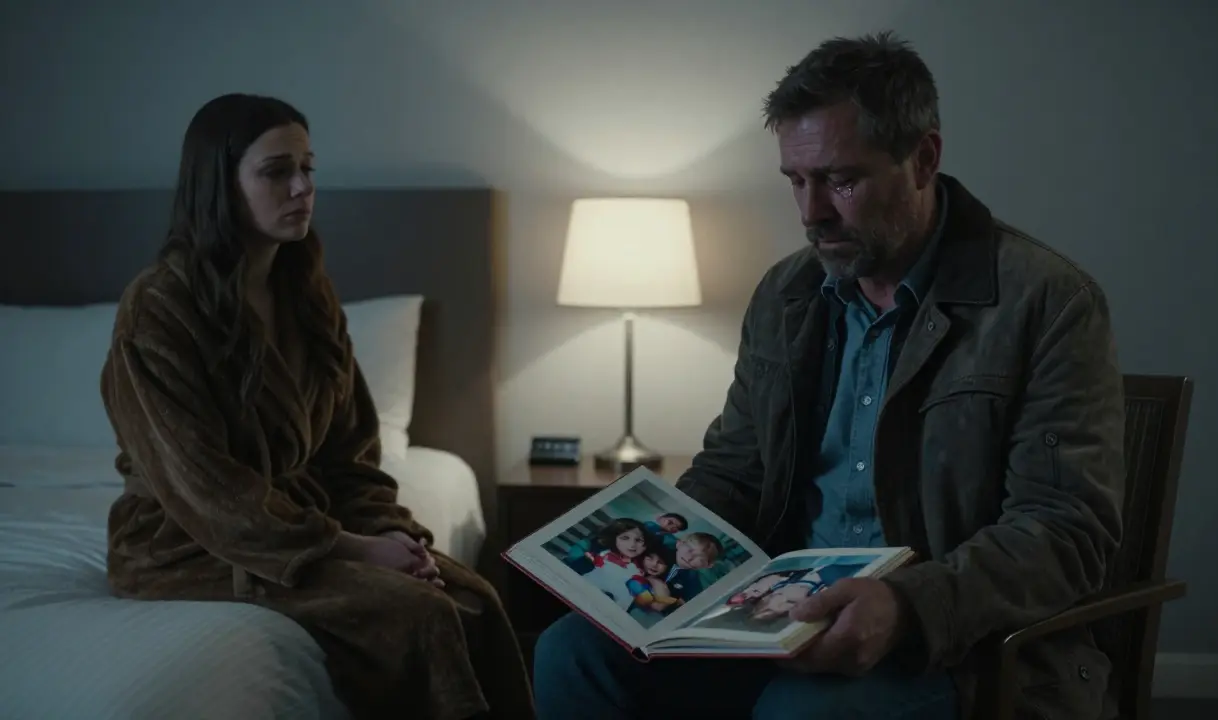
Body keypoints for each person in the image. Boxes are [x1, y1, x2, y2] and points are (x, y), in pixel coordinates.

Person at [533, 31, 1126, 720]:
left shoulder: (1046, 301)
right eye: (796, 180)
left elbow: (1065, 530)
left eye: (841, 181)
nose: (812, 212)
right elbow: (735, 468)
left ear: (923, 158)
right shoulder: (786, 295)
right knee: (571, 652)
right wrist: (661, 552)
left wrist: (907, 604)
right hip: (774, 616)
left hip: (957, 647)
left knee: (802, 711)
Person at [100, 93, 535, 720]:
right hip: (187, 543)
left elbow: (350, 449)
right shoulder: (159, 310)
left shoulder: (303, 291)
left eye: (309, 168)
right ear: (219, 184)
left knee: (474, 596)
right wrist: (355, 551)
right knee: (417, 613)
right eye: (278, 171)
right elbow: (206, 489)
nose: (303, 187)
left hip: (305, 522)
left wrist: (386, 528)